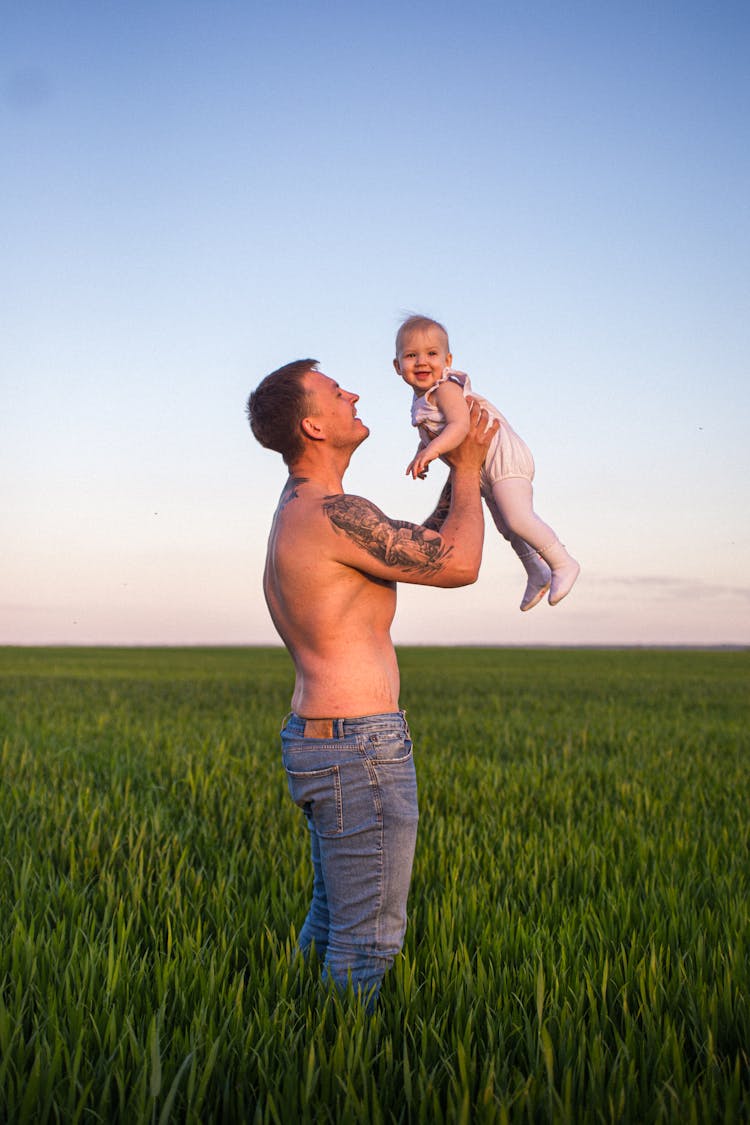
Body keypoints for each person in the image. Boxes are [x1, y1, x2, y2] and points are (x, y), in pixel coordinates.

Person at [246, 358, 496, 1008]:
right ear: (313, 424)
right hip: (359, 749)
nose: (353, 391)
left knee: (331, 923)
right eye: (335, 390)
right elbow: (459, 563)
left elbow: (424, 543)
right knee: (369, 943)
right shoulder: (331, 514)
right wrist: (468, 467)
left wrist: (455, 466)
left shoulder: (303, 509)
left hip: (322, 740)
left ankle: (289, 1040)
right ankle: (334, 1076)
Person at [394, 314, 580, 612]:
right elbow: (436, 431)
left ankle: (563, 563)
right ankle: (536, 571)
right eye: (411, 355)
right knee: (507, 526)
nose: (422, 362)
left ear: (448, 360)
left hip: (502, 459)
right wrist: (424, 448)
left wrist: (429, 453)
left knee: (519, 517)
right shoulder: (423, 400)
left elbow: (458, 427)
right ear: (397, 366)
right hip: (482, 469)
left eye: (432, 354)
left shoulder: (445, 389)